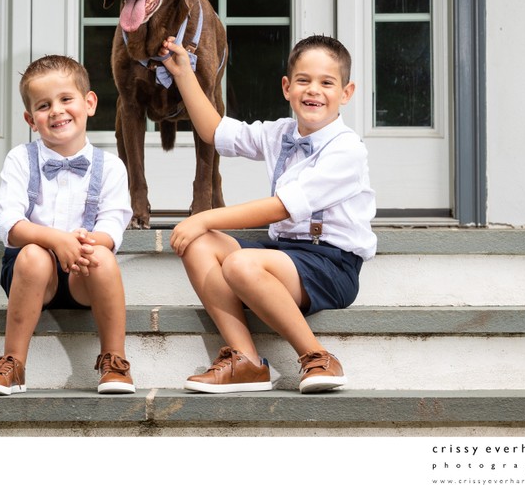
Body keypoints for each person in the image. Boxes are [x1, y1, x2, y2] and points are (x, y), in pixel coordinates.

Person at [159, 33, 376, 394]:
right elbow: (214, 130)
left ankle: (316, 355)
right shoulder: (280, 133)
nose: (314, 91)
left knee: (240, 262)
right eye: (304, 81)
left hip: (331, 263)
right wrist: (184, 74)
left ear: (346, 93)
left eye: (327, 83)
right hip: (284, 255)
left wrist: (204, 216)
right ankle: (246, 361)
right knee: (200, 245)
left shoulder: (347, 149)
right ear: (287, 87)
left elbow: (280, 208)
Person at [0, 54, 134, 396]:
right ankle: (13, 363)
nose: (57, 111)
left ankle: (114, 360)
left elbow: (113, 228)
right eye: (44, 106)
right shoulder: (20, 159)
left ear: (89, 103)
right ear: (31, 120)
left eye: (66, 99)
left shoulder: (112, 167)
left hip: (84, 275)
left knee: (103, 256)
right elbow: (9, 225)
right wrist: (56, 240)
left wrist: (83, 242)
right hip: (31, 276)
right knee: (32, 253)